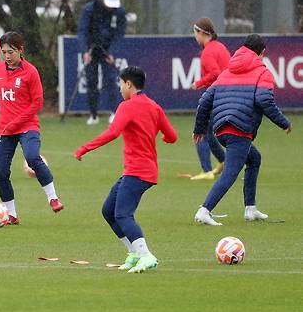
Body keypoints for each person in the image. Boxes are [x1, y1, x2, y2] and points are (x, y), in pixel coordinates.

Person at [74, 66, 177, 273]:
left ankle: (146, 256)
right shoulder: (154, 107)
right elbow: (172, 136)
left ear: (129, 84)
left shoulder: (127, 106)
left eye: (121, 84)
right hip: (144, 171)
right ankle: (134, 253)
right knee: (108, 211)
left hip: (137, 171)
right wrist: (163, 137)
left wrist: (85, 147)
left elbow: (113, 133)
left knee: (122, 215)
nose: (120, 88)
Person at [0, 32, 64, 223]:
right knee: (1, 172)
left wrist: (16, 122)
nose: (7, 56)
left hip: (27, 126)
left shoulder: (31, 72)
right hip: (4, 129)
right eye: (4, 52)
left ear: (21, 50)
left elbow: (37, 103)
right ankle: (11, 214)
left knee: (32, 157)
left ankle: (53, 198)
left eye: (11, 52)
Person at [193, 34, 292, 226]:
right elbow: (264, 100)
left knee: (254, 159)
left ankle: (250, 209)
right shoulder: (263, 72)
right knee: (231, 172)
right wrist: (283, 122)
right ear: (262, 53)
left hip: (221, 128)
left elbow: (205, 100)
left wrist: (199, 129)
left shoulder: (226, 72)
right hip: (240, 129)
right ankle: (204, 210)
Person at [77, 0, 126, 125]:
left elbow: (119, 34)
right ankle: (93, 115)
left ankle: (114, 112)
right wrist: (85, 51)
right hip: (91, 49)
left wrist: (112, 52)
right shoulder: (89, 9)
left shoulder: (119, 12)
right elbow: (82, 31)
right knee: (91, 80)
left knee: (110, 80)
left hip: (108, 50)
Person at [189, 17, 228, 181]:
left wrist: (198, 83)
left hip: (216, 95)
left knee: (200, 133)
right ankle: (226, 163)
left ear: (201, 33)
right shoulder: (220, 47)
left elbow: (215, 73)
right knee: (212, 134)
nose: (195, 36)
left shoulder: (208, 52)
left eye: (195, 33)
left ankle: (206, 170)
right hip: (227, 94)